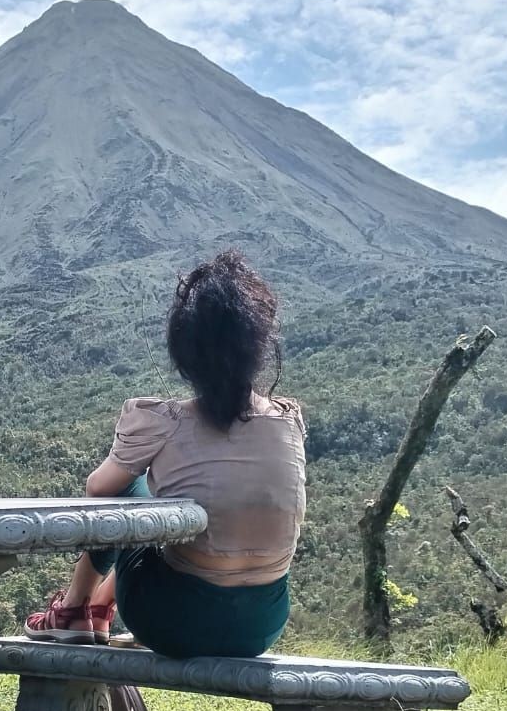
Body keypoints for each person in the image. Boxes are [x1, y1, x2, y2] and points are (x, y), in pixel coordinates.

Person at [24, 250, 306, 659]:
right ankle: (97, 608)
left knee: (128, 486)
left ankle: (72, 611)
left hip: (173, 619)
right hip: (262, 626)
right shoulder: (288, 420)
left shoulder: (164, 419)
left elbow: (99, 491)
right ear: (258, 346)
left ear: (185, 352)